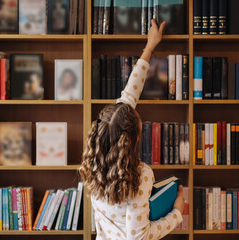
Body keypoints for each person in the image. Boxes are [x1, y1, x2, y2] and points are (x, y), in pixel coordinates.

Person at [79, 19, 185, 240]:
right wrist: (177, 213)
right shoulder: (139, 175)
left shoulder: (93, 164)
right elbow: (139, 238)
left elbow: (130, 94)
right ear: (135, 140)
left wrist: (150, 46)